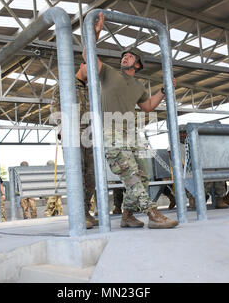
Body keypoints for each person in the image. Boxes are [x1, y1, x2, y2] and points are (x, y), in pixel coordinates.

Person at [88, 12, 178, 229]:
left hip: (131, 133)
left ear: (137, 64)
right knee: (130, 175)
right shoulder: (109, 73)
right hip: (111, 131)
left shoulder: (138, 86)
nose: (124, 57)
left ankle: (127, 215)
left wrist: (164, 91)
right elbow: (88, 56)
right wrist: (96, 32)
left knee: (143, 176)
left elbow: (148, 106)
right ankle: (153, 213)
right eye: (123, 56)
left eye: (129, 56)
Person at [50, 62, 98, 228]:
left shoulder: (91, 88)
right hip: (72, 135)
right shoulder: (66, 83)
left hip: (89, 136)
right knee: (78, 176)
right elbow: (54, 106)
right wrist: (62, 127)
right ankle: (78, 215)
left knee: (91, 177)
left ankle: (85, 212)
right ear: (82, 65)